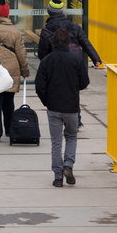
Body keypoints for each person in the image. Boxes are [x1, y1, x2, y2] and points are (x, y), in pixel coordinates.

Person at [36, 28, 90, 187]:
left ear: (52, 42)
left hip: (53, 107)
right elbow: (84, 82)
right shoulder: (76, 60)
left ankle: (58, 176)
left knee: (56, 142)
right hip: (71, 106)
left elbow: (40, 86)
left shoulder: (47, 61)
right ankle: (68, 165)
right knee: (71, 137)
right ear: (68, 42)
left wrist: (47, 101)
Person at [0, 0, 30, 142]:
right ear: (7, 14)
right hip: (11, 70)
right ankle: (9, 130)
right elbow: (21, 53)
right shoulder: (15, 31)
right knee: (9, 102)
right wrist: (25, 70)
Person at [38, 0, 102, 68]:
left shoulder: (46, 31)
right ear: (62, 11)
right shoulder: (75, 27)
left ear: (49, 11)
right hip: (75, 63)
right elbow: (86, 43)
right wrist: (96, 59)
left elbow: (42, 54)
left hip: (56, 66)